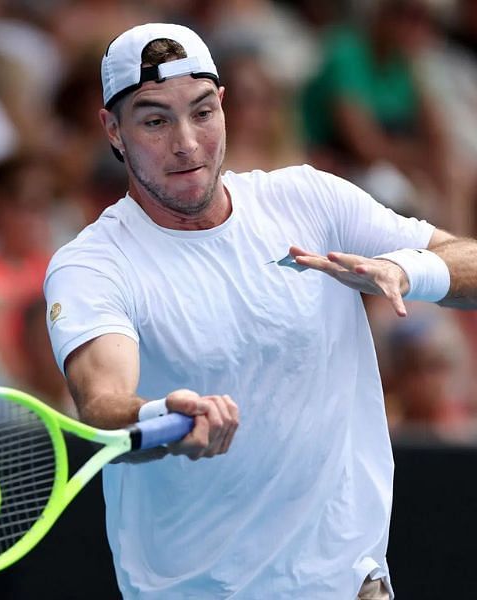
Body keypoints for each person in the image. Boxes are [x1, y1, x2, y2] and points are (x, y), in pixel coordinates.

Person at [44, 22, 477, 599]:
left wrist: (405, 269)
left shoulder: (309, 198)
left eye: (202, 112)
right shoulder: (93, 264)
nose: (187, 143)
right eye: (154, 120)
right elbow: (101, 400)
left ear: (224, 107)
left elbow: (464, 259)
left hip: (348, 585)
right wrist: (161, 417)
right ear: (112, 131)